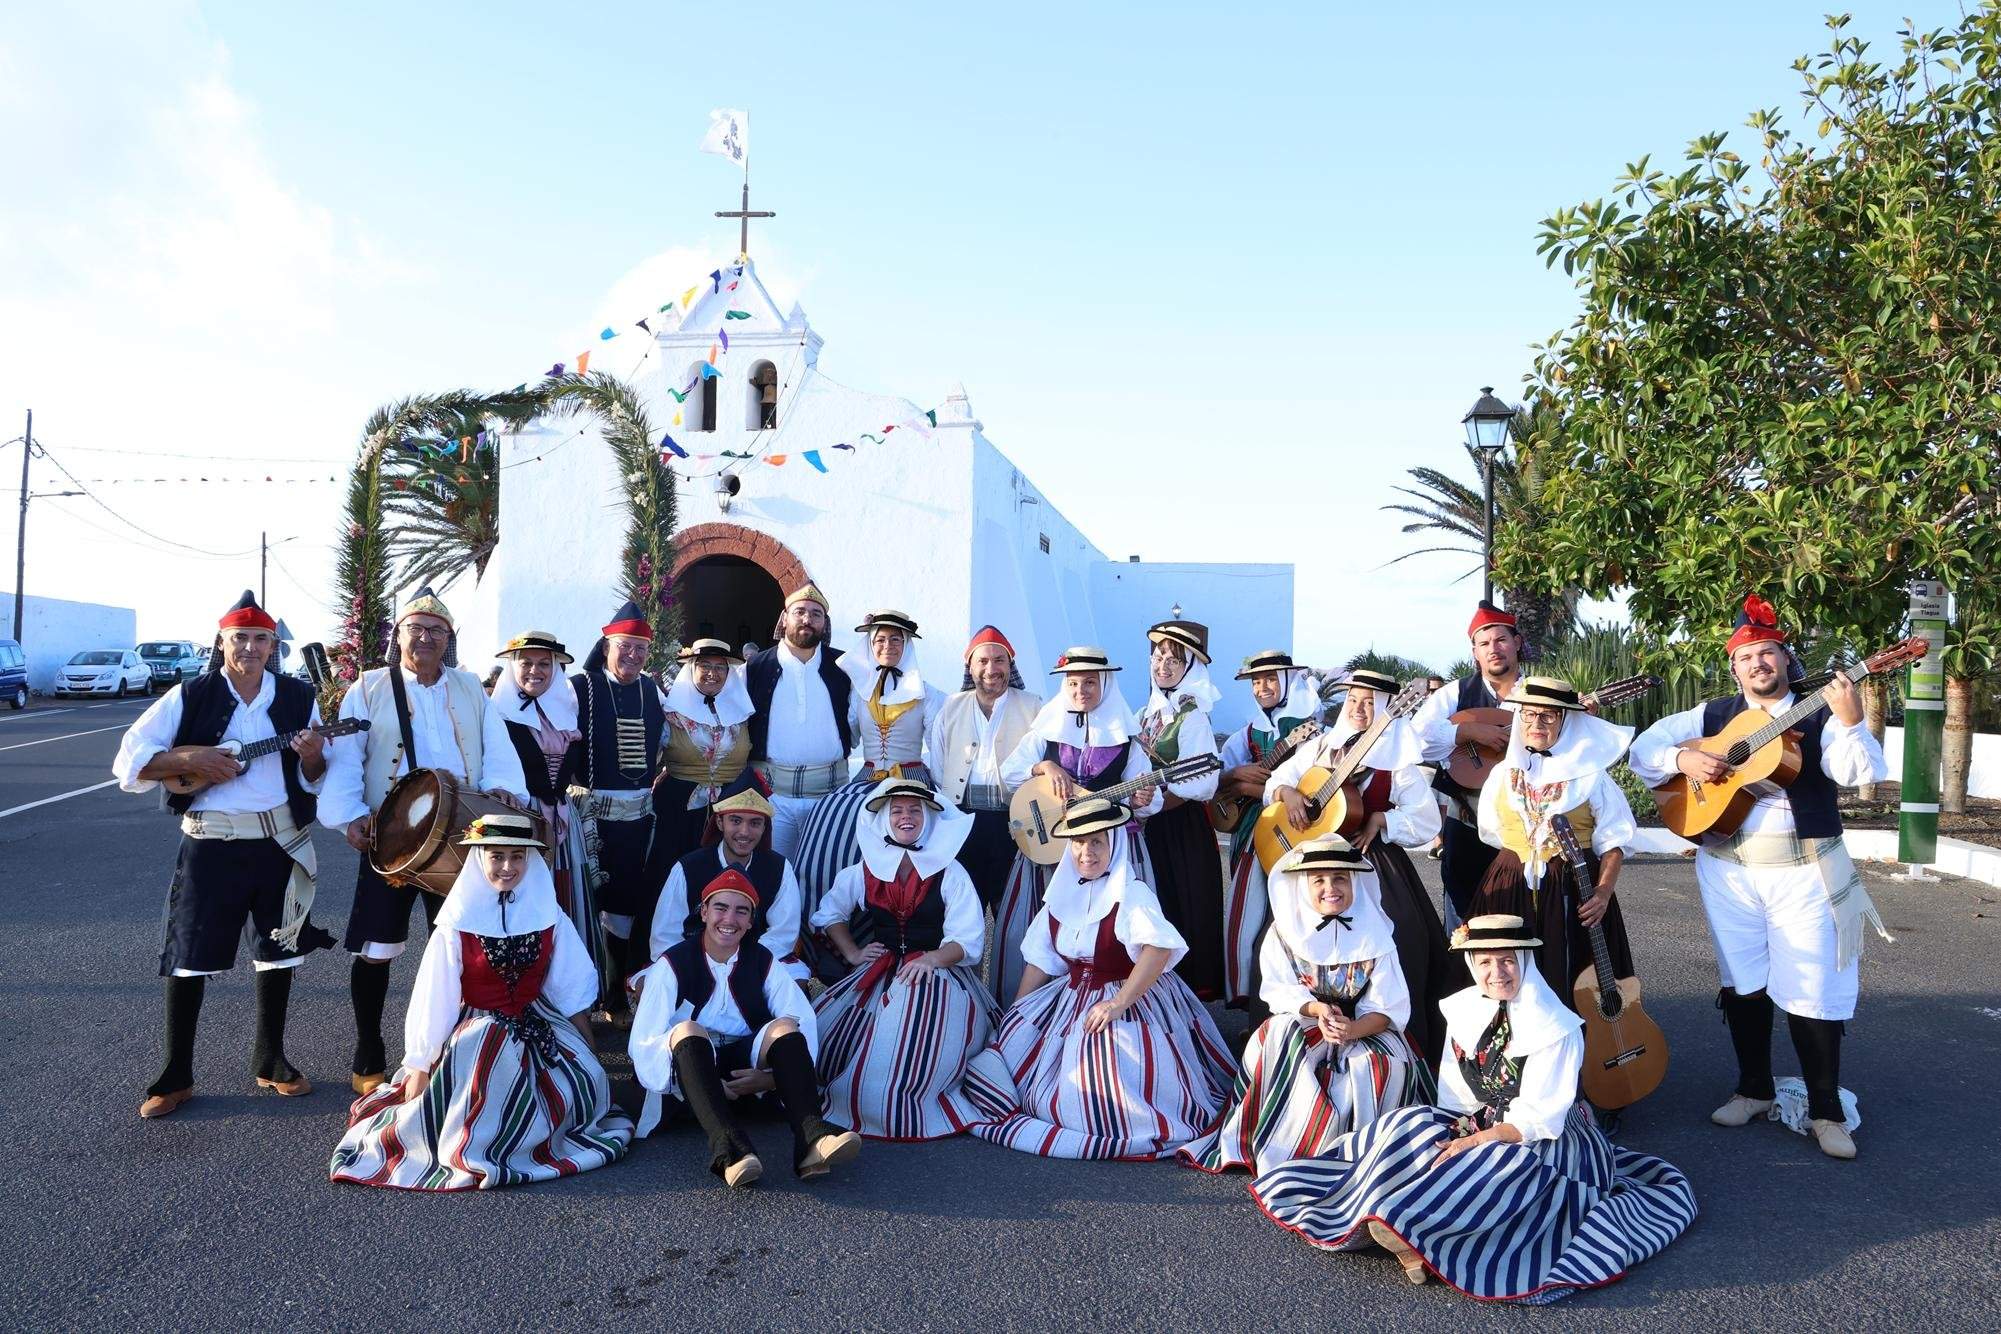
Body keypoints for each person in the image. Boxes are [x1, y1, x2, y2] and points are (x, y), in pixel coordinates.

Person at [1249, 915, 1697, 1302]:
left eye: (1507, 961)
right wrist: (1454, 1130)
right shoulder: (1464, 1010)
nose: (1496, 972)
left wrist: (1477, 1140)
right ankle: (1387, 1216)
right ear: (1472, 965)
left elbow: (1539, 1118)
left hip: (1544, 1137)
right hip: (1481, 1117)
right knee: (1410, 1125)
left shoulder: (1555, 1025)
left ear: (1524, 962)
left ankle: (1409, 1230)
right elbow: (1455, 1091)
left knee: (1497, 1164)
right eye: (1485, 962)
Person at [1628, 594, 1889, 1159]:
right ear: (1734, 668)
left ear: (1786, 659)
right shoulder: (1713, 716)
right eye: (1745, 657)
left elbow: (1856, 772)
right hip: (1728, 870)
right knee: (1742, 980)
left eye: (1767, 653)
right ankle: (1753, 1089)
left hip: (1806, 871)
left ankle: (1826, 1111)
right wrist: (1683, 760)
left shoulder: (1819, 712)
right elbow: (1643, 748)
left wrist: (1851, 721)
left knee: (1814, 985)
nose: (1757, 664)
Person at [112, 590, 332, 1119]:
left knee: (279, 950)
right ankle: (176, 1074)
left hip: (277, 841)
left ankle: (271, 1059)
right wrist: (190, 759)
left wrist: (313, 756)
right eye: (240, 638)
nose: (250, 648)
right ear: (222, 641)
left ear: (273, 646)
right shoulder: (191, 694)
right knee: (188, 955)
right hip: (209, 843)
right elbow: (129, 763)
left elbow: (317, 776)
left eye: (260, 639)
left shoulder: (298, 697)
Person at [329, 813, 633, 1189]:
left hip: (535, 1021)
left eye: (517, 856)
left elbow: (569, 985)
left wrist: (587, 1047)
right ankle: (484, 1145)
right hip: (474, 1031)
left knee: (583, 1081)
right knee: (490, 1038)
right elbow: (435, 995)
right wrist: (420, 1065)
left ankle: (518, 1135)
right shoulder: (457, 922)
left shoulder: (546, 912)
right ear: (479, 858)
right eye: (496, 856)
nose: (507, 867)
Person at [320, 586, 529, 1094]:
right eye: (416, 629)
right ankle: (369, 1050)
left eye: (437, 631)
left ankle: (453, 1050)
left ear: (448, 639)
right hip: (390, 836)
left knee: (460, 944)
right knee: (377, 947)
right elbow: (347, 757)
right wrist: (349, 815)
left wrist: (503, 788)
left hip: (461, 834)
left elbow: (496, 745)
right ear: (399, 635)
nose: (426, 638)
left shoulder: (470, 687)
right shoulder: (368, 687)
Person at [961, 797, 1235, 1160]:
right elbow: (1040, 962)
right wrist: (1016, 1017)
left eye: (1097, 842)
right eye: (1078, 842)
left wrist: (1118, 1003)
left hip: (1132, 995)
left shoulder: (1131, 893)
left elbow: (1158, 950)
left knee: (1104, 1089)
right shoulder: (1062, 892)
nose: (1086, 852)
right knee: (1007, 1063)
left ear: (1114, 845)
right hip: (1071, 996)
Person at [1180, 838, 1433, 1175]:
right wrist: (1317, 1010)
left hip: (1364, 1025)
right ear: (1303, 885)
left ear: (1354, 882)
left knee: (1379, 1066)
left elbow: (1389, 1005)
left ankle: (1361, 1149)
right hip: (1306, 1020)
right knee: (1279, 1033)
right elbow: (1278, 991)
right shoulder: (1283, 931)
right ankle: (1288, 1140)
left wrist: (1352, 1029)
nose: (1331, 888)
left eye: (1340, 878)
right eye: (1319, 880)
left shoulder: (1376, 933)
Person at [628, 868, 861, 1188]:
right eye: (721, 907)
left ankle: (812, 1139)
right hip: (690, 1074)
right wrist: (702, 1081)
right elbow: (644, 1041)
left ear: (751, 921)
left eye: (741, 911)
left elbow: (801, 1019)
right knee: (687, 1029)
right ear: (704, 912)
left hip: (746, 1073)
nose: (730, 919)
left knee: (786, 1026)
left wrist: (771, 1078)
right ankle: (731, 1150)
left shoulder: (763, 960)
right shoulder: (672, 964)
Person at [1266, 669, 1451, 1062]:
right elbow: (1275, 783)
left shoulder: (1396, 762)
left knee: (1402, 939)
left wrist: (1382, 819)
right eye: (1353, 700)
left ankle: (1390, 1040)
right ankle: (1300, 1028)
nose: (1359, 709)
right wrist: (1289, 793)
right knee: (1290, 937)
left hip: (1370, 860)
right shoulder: (1320, 747)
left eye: (1370, 702)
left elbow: (1427, 819)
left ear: (1387, 708)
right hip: (1314, 867)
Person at [811, 778, 998, 1139]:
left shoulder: (950, 870)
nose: (906, 817)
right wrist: (853, 952)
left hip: (937, 975)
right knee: (825, 1041)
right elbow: (830, 912)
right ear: (885, 819)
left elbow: (967, 940)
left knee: (909, 1048)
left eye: (915, 810)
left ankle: (892, 1104)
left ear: (928, 818)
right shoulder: (867, 867)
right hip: (879, 973)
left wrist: (932, 959)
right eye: (897, 810)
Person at [991, 648, 1161, 1004]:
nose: (1080, 690)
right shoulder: (1047, 731)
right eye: (1073, 683)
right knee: (1041, 926)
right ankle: (1029, 1004)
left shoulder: (1126, 740)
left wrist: (1142, 799)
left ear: (1105, 685)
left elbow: (1149, 798)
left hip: (1106, 847)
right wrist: (1044, 767)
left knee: (1109, 926)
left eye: (1089, 682)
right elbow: (1009, 771)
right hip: (1051, 846)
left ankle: (1110, 994)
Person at [1471, 676, 1638, 1019]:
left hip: (1575, 889)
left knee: (1574, 973)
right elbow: (1490, 831)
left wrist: (1603, 892)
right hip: (1511, 885)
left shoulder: (1591, 775)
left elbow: (1615, 842)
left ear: (1565, 721)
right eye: (1529, 714)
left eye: (1548, 716)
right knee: (1507, 970)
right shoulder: (1502, 775)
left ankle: (1580, 1045)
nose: (1537, 724)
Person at [793, 609, 945, 972]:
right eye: (879, 640)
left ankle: (907, 938)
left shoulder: (929, 694)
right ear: (870, 645)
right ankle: (831, 942)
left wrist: (940, 795)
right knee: (827, 834)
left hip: (910, 781)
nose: (887, 645)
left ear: (906, 645)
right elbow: (847, 738)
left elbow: (939, 752)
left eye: (895, 639)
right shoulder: (859, 692)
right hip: (866, 780)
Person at [569, 599, 672, 1009]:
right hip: (588, 815)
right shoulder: (580, 687)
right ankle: (577, 996)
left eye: (640, 648)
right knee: (582, 902)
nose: (632, 655)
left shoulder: (652, 690)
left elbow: (670, 740)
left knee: (624, 904)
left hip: (637, 819)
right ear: (606, 646)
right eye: (624, 646)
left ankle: (614, 993)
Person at [1216, 649, 1323, 1017]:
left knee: (1295, 910)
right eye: (1256, 681)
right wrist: (1236, 778)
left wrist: (1253, 787)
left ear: (1289, 681)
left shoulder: (1310, 729)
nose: (1262, 687)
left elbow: (1314, 782)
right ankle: (1252, 1002)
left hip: (1295, 829)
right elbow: (1218, 785)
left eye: (1270, 679)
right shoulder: (1246, 734)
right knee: (1248, 911)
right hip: (1250, 830)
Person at [1413, 602, 1527, 925]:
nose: (1494, 649)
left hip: (1523, 823)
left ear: (1517, 642)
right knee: (1462, 917)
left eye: (1501, 640)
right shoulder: (1456, 692)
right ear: (1475, 652)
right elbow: (1417, 737)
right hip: (1465, 821)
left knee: (1522, 914)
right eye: (1484, 643)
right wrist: (1467, 732)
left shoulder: (1539, 693)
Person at [1135, 618, 1227, 1000]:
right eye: (1159, 658)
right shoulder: (1146, 714)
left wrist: (1155, 802)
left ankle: (1188, 996)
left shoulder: (1194, 717)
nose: (1164, 666)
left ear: (1189, 667)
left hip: (1182, 825)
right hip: (1151, 822)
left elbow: (1202, 782)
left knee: (1185, 902)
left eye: (1174, 660)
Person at [927, 625, 1044, 912]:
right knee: (966, 906)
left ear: (1010, 665)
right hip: (963, 821)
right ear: (970, 667)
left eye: (999, 660)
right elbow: (939, 768)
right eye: (983, 661)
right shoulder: (951, 707)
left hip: (1014, 822)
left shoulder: (1033, 706)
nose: (991, 669)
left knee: (1012, 906)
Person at [646, 773, 806, 981]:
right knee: (648, 983)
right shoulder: (687, 867)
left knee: (796, 980)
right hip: (695, 960)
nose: (744, 832)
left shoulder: (779, 868)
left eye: (755, 823)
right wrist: (706, 963)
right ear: (720, 822)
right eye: (736, 821)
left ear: (764, 827)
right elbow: (665, 935)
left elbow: (783, 933)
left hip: (755, 960)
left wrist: (740, 962)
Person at [744, 583, 853, 857]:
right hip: (771, 798)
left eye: (816, 614)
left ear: (825, 623)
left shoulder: (845, 666)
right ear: (784, 618)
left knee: (823, 871)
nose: (807, 619)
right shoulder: (754, 668)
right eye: (800, 612)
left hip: (831, 797)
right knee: (772, 871)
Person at [490, 631, 587, 934]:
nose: (535, 670)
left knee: (563, 893)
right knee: (520, 892)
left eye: (544, 663)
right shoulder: (497, 713)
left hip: (562, 816)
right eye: (527, 663)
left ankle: (562, 956)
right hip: (519, 815)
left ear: (555, 668)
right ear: (514, 666)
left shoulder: (567, 711)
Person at [654, 637, 754, 871]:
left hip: (730, 809)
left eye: (720, 667)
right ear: (692, 669)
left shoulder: (742, 714)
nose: (712, 673)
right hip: (678, 808)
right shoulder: (670, 713)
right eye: (705, 666)